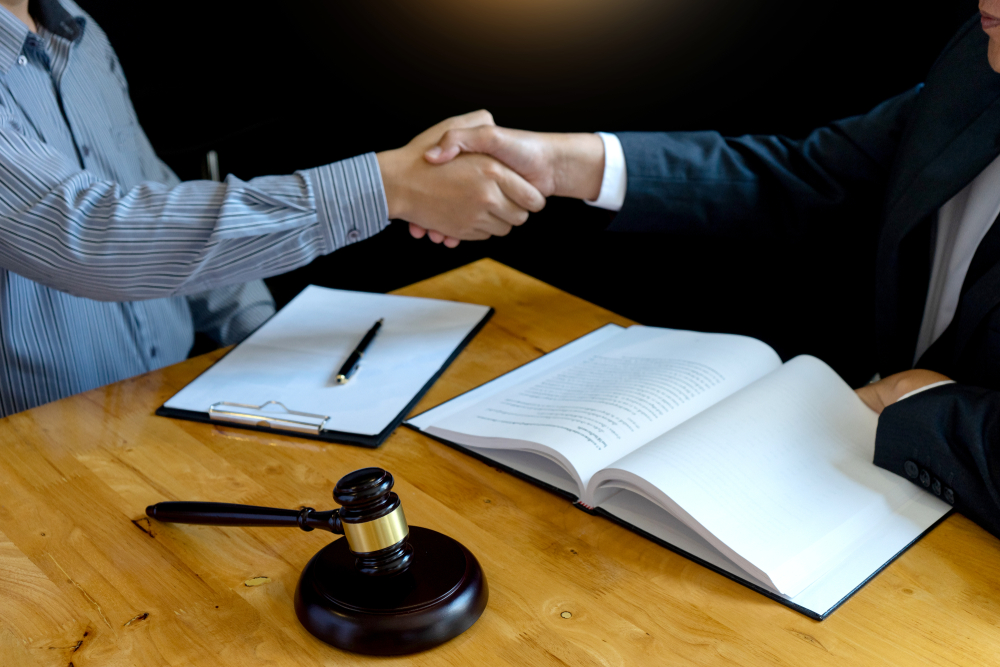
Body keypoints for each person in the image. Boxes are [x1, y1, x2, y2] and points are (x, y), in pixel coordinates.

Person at [420, 8, 1000, 539]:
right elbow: (813, 172)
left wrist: (920, 399)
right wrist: (561, 164)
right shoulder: (982, 45)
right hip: (856, 460)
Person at [0, 0, 544, 417]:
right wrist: (388, 187)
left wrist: (256, 332)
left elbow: (150, 189)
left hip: (165, 404)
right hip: (33, 450)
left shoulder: (77, 28)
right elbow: (92, 234)